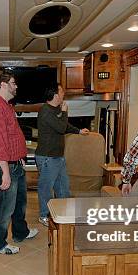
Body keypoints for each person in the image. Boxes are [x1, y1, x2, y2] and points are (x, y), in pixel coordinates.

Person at [0, 71, 38, 254]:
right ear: (4, 84)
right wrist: (5, 171)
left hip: (15, 164)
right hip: (3, 167)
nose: (16, 86)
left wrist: (19, 157)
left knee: (19, 203)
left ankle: (20, 232)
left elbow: (11, 137)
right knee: (4, 209)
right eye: (13, 83)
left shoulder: (6, 106)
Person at [35, 84, 89, 226]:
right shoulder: (45, 111)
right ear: (55, 95)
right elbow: (61, 127)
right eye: (62, 91)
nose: (64, 93)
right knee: (46, 188)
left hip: (57, 156)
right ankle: (44, 215)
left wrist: (78, 131)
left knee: (63, 188)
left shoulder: (55, 109)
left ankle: (62, 214)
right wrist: (65, 112)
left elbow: (64, 126)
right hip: (48, 157)